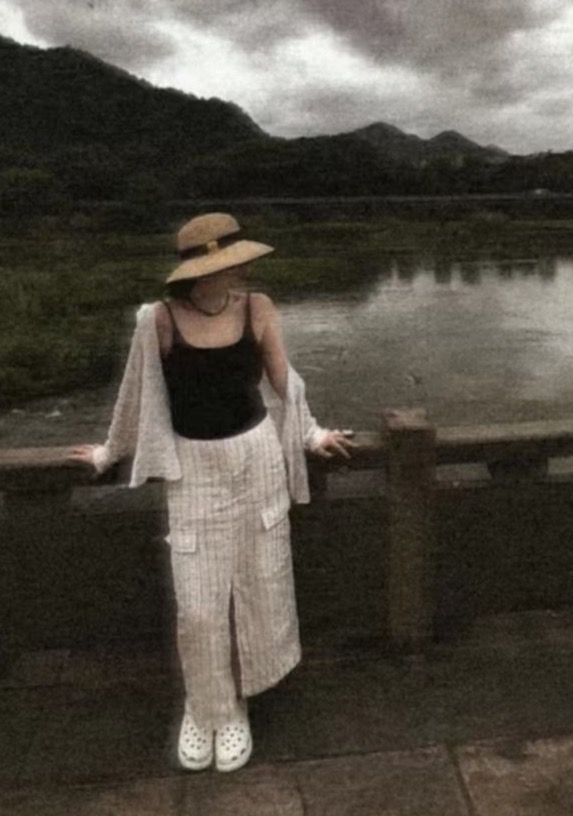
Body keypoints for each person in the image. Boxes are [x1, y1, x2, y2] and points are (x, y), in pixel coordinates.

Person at [71, 212, 353, 773]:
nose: (240, 269)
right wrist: (109, 451)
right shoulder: (159, 320)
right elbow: (136, 393)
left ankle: (238, 705)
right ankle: (204, 709)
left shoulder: (257, 308)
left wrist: (312, 433)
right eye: (230, 261)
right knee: (199, 606)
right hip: (194, 470)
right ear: (201, 270)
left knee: (258, 587)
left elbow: (284, 382)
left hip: (257, 461)